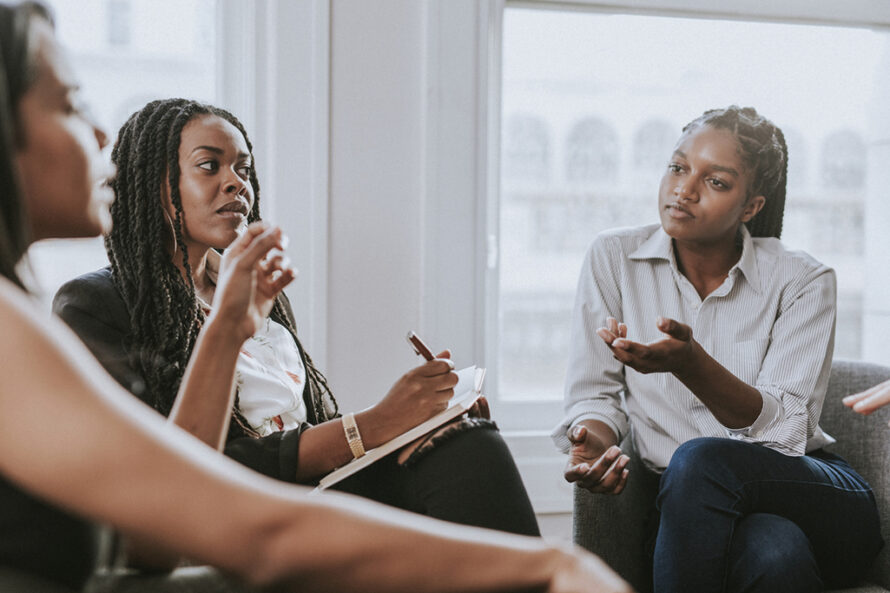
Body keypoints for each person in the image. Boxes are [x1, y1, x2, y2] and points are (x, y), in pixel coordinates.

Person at [0, 1, 632, 592]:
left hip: (240, 518)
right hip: (232, 529)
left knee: (467, 450)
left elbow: (166, 518)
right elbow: (200, 521)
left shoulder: (42, 319)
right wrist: (544, 562)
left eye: (243, 168)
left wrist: (407, 426)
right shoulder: (69, 312)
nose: (101, 132)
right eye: (69, 102)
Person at [52, 94, 540, 543]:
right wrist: (373, 424)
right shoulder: (96, 304)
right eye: (209, 166)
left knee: (463, 444)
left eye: (244, 168)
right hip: (229, 518)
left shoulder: (253, 292)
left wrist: (417, 422)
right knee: (469, 460)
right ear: (153, 184)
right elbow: (179, 471)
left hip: (308, 496)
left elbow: (298, 426)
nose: (236, 182)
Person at [553, 105, 883, 592]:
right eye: (678, 167)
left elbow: (786, 432)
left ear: (751, 207)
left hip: (811, 493)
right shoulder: (614, 257)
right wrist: (594, 441)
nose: (684, 189)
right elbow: (595, 394)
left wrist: (692, 365)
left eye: (717, 182)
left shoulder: (802, 278)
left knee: (701, 460)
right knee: (775, 551)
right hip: (691, 516)